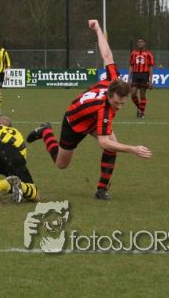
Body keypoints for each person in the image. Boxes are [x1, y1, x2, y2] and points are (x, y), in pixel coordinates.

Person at [26, 20, 153, 200]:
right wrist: (133, 149)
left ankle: (101, 189)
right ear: (109, 95)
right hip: (74, 123)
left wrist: (98, 29)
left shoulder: (114, 80)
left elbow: (107, 54)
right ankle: (45, 131)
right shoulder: (104, 109)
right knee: (61, 164)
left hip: (91, 119)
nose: (119, 106)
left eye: (122, 104)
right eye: (116, 103)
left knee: (113, 144)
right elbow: (104, 142)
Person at [128, 38, 155, 119]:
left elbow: (150, 67)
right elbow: (131, 65)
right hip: (135, 75)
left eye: (141, 42)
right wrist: (129, 78)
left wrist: (151, 81)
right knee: (133, 94)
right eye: (139, 42)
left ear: (144, 43)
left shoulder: (148, 54)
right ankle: (140, 108)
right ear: (137, 44)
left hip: (144, 75)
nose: (140, 43)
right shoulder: (133, 53)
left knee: (142, 95)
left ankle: (142, 113)